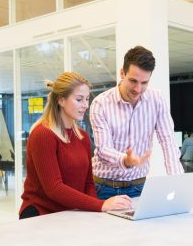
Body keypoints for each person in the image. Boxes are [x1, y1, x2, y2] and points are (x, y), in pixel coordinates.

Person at [19, 72, 132, 219]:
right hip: (42, 215)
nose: (85, 105)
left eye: (86, 99)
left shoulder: (82, 136)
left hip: (71, 213)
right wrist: (101, 205)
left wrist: (96, 212)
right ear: (61, 100)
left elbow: (88, 183)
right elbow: (54, 188)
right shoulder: (43, 134)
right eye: (79, 100)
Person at [90, 46, 184, 199]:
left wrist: (178, 182)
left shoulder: (156, 99)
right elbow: (103, 149)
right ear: (122, 73)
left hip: (139, 186)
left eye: (144, 82)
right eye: (133, 81)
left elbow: (168, 141)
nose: (138, 89)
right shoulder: (101, 103)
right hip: (104, 188)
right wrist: (125, 160)